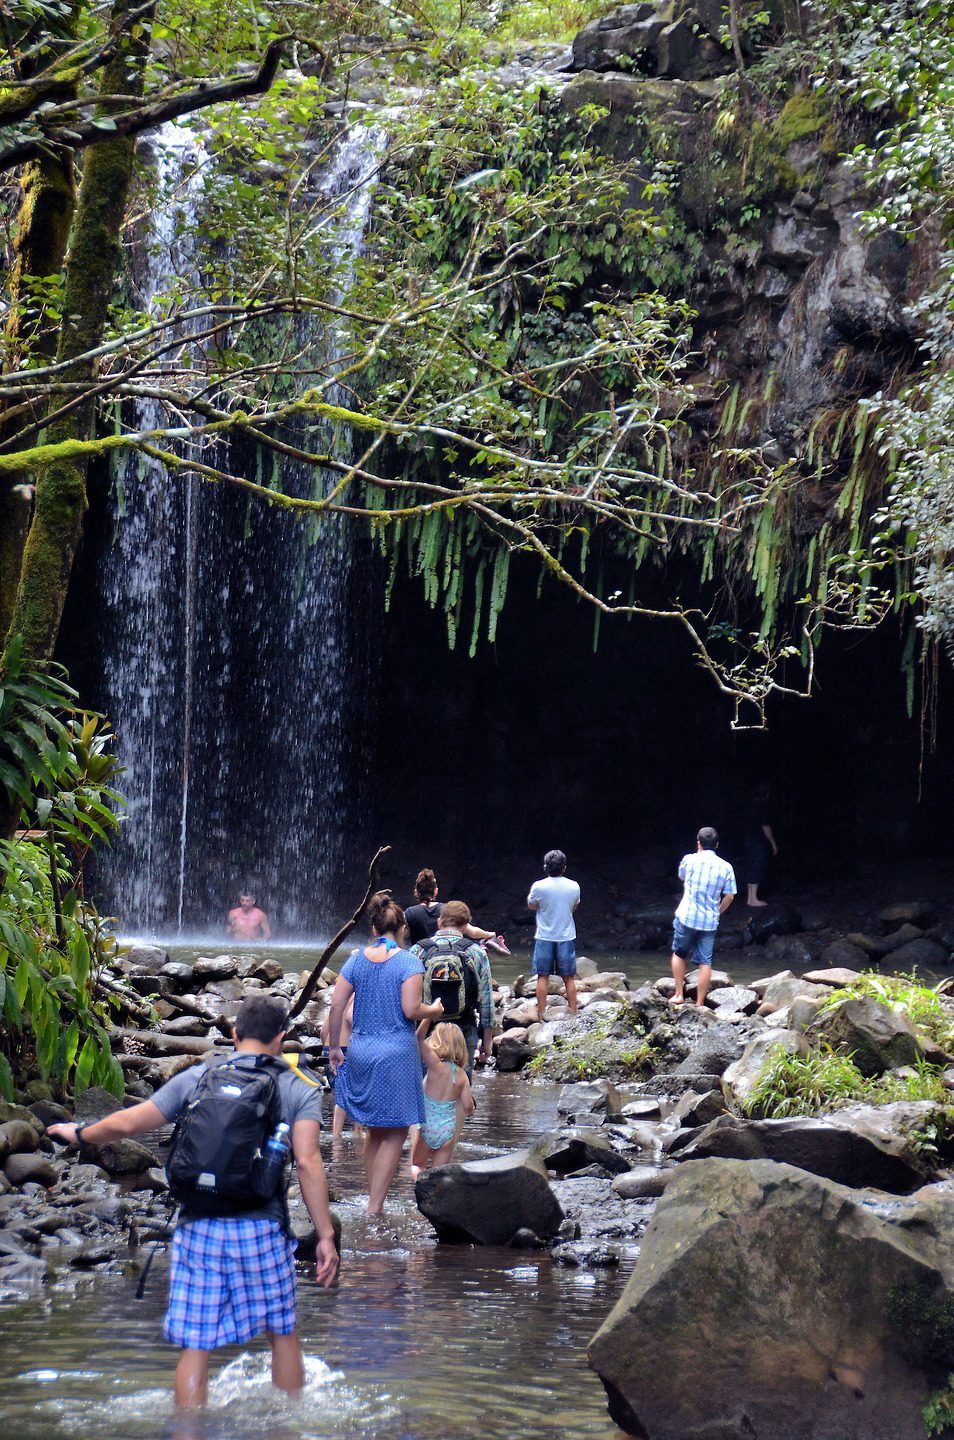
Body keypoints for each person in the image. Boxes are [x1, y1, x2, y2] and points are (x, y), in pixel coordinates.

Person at [47, 995, 338, 1408]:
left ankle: (187, 1430)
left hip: (198, 1224)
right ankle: (287, 1427)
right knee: (281, 1332)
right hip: (260, 1226)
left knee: (196, 1345)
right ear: (282, 1037)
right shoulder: (297, 1086)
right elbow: (308, 1162)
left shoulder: (202, 1075)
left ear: (234, 1034)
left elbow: (130, 1122)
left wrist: (79, 1133)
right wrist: (324, 1235)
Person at [326, 892, 442, 1214]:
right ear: (402, 928)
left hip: (361, 1049)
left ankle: (371, 1197)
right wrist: (432, 1010)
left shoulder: (356, 960)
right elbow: (410, 1009)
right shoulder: (409, 961)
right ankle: (375, 1205)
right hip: (396, 1052)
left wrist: (335, 1046)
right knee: (397, 1130)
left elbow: (336, 1005)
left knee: (374, 1128)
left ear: (375, 929)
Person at [409, 900, 496, 1076]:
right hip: (464, 1029)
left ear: (439, 922)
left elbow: (407, 998)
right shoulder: (477, 952)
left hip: (427, 1031)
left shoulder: (418, 950)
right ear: (465, 926)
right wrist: (487, 1043)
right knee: (461, 1086)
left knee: (427, 1087)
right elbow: (486, 1001)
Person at [670, 826, 737, 1008]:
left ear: (698, 843)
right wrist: (718, 911)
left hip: (687, 916)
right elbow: (730, 896)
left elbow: (682, 876)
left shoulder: (689, 860)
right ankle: (700, 1003)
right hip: (709, 921)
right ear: (717, 845)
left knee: (679, 953)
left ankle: (678, 995)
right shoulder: (726, 867)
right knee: (705, 962)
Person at [410, 1021, 475, 1177]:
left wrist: (427, 1018)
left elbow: (418, 1039)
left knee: (417, 1166)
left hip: (427, 1126)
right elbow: (468, 1107)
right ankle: (435, 1199)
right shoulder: (462, 1075)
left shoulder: (436, 1065)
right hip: (447, 1129)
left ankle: (420, 1189)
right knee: (438, 1175)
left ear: (437, 1042)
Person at [527, 849, 580, 1024]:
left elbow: (532, 905)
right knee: (569, 978)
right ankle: (573, 1011)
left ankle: (541, 1012)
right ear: (564, 868)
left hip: (545, 936)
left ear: (545, 867)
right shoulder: (574, 886)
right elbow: (574, 907)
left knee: (543, 976)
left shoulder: (538, 886)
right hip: (566, 936)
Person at [405, 868, 511, 955]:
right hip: (447, 958)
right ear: (435, 891)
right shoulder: (447, 909)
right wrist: (489, 934)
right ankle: (483, 945)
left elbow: (402, 935)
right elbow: (471, 931)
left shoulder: (410, 912)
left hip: (420, 957)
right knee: (471, 948)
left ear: (416, 892)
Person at [320, 993, 359, 1139]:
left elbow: (323, 1030)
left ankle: (337, 1135)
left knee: (341, 1094)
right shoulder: (358, 994)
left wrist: (328, 1048)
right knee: (353, 1095)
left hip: (328, 1050)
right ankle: (354, 1134)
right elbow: (350, 1016)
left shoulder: (340, 999)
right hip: (345, 1050)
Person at [744, 783, 778, 907]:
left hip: (748, 839)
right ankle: (753, 898)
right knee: (757, 867)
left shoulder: (749, 804)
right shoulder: (761, 806)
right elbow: (765, 825)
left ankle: (751, 897)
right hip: (757, 840)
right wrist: (773, 842)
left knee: (751, 867)